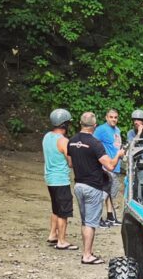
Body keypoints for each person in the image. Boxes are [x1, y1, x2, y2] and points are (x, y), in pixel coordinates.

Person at [67, 112, 125, 265]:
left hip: (78, 185)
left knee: (85, 221)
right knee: (91, 223)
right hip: (92, 186)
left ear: (80, 123)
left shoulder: (71, 141)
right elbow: (110, 166)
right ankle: (87, 255)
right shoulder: (94, 143)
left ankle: (87, 251)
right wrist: (118, 155)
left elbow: (70, 164)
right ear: (94, 126)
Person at [43, 109, 76, 250]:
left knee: (55, 208)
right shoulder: (64, 141)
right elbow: (70, 163)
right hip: (61, 179)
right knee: (64, 211)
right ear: (64, 124)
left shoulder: (46, 137)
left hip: (49, 178)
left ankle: (52, 234)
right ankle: (61, 240)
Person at [93, 107, 123, 229]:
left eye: (115, 117)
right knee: (104, 193)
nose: (113, 119)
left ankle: (110, 217)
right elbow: (93, 143)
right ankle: (97, 218)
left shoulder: (117, 130)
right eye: (111, 117)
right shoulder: (101, 129)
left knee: (110, 192)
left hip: (116, 166)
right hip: (106, 166)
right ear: (106, 117)